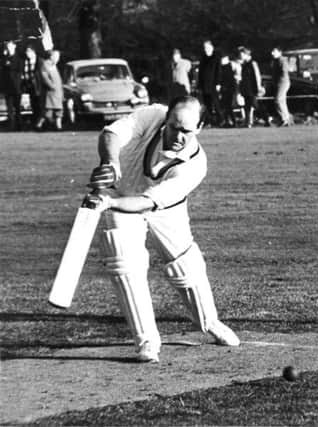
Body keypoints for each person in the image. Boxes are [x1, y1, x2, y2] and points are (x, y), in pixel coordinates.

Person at [85, 95, 240, 363]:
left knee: (185, 264)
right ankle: (147, 340)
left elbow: (147, 202)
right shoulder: (152, 115)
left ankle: (209, 322)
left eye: (186, 131)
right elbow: (111, 134)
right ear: (166, 119)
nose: (178, 136)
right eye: (173, 127)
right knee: (123, 259)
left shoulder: (194, 166)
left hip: (163, 209)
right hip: (121, 198)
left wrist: (107, 202)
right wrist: (110, 162)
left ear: (200, 128)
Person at [197, 40, 223, 126]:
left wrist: (218, 83)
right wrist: (199, 85)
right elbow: (200, 73)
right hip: (204, 85)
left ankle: (220, 120)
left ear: (211, 47)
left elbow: (218, 71)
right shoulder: (203, 58)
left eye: (207, 47)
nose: (206, 49)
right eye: (204, 47)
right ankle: (210, 120)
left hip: (213, 85)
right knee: (207, 104)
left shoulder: (216, 57)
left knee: (216, 103)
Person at [36, 49, 63, 130]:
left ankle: (59, 127)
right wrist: (51, 86)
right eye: (56, 56)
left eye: (58, 57)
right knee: (47, 112)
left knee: (59, 111)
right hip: (50, 93)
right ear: (51, 56)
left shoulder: (54, 65)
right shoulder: (45, 64)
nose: (58, 58)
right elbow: (44, 77)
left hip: (57, 92)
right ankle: (39, 125)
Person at [1, 41, 23, 130]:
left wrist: (9, 64)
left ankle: (19, 125)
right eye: (7, 47)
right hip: (7, 87)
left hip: (16, 86)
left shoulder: (19, 58)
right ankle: (11, 125)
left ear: (14, 46)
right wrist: (5, 58)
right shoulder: (5, 58)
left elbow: (19, 71)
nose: (8, 48)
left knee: (17, 107)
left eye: (10, 46)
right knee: (9, 107)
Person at [239, 47, 263, 128]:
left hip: (252, 89)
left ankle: (267, 118)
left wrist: (258, 87)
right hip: (246, 88)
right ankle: (248, 122)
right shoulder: (244, 64)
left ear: (246, 54)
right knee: (247, 106)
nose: (240, 56)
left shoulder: (252, 63)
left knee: (255, 105)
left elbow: (257, 76)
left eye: (242, 54)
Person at [21, 45, 42, 126]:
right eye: (26, 52)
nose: (27, 53)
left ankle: (41, 123)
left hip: (38, 87)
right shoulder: (25, 61)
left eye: (28, 51)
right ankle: (35, 123)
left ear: (33, 52)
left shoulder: (39, 61)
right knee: (33, 105)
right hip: (30, 87)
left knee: (40, 105)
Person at [270, 47, 291, 126]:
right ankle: (286, 119)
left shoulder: (282, 60)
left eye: (274, 51)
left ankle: (284, 118)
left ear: (280, 52)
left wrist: (278, 81)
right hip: (279, 82)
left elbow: (284, 72)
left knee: (278, 100)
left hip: (283, 82)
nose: (272, 53)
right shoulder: (275, 61)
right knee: (282, 101)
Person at [219, 53, 237, 127]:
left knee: (228, 107)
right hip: (225, 90)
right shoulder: (224, 67)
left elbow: (229, 80)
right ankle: (228, 121)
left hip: (228, 90)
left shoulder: (228, 67)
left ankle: (232, 121)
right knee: (226, 107)